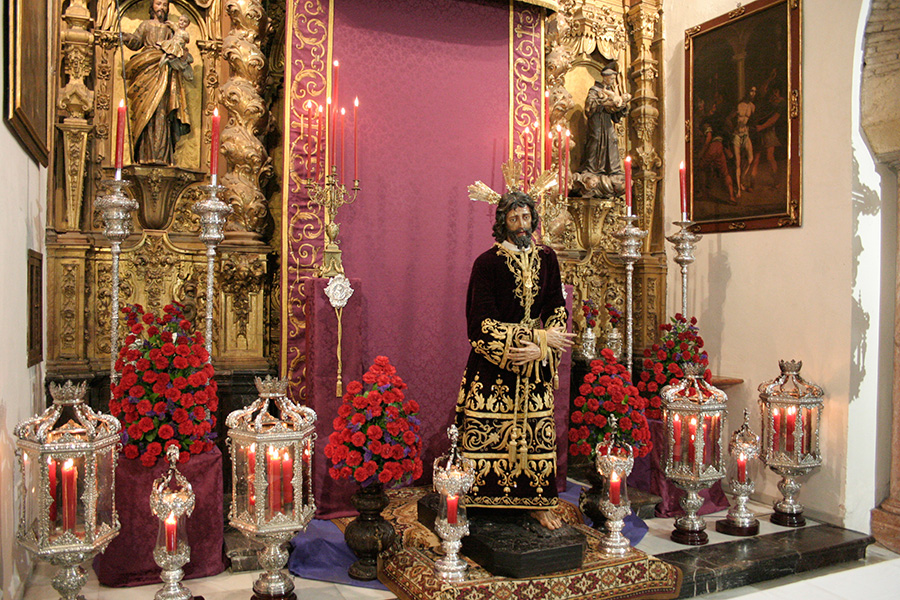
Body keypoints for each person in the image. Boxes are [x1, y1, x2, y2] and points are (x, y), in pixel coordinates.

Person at [456, 190, 575, 530]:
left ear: (533, 219)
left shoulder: (547, 258)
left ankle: (537, 503)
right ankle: (476, 500)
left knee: (537, 434)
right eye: (514, 219)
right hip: (494, 367)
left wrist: (544, 347)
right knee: (487, 432)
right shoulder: (487, 263)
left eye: (526, 217)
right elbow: (480, 323)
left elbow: (556, 308)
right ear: (502, 223)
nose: (522, 225)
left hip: (535, 366)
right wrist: (536, 339)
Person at [122, 0, 191, 165]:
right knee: (145, 110)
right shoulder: (146, 25)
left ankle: (161, 155)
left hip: (163, 71)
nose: (161, 8)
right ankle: (144, 154)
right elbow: (136, 41)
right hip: (146, 69)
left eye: (165, 5)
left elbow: (178, 47)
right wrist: (125, 36)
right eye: (158, 4)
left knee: (161, 110)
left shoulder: (169, 29)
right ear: (152, 6)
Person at [578, 61, 631, 183]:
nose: (612, 81)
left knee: (612, 139)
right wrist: (603, 102)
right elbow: (590, 105)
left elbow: (615, 115)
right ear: (605, 77)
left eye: (614, 79)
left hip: (606, 121)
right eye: (611, 79)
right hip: (596, 119)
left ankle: (613, 169)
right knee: (596, 139)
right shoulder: (595, 90)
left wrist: (621, 107)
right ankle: (591, 168)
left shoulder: (612, 92)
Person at [729, 87, 756, 197]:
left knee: (750, 159)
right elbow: (729, 119)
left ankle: (741, 179)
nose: (753, 93)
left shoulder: (752, 107)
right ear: (747, 92)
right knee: (738, 162)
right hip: (737, 135)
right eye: (751, 91)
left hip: (746, 134)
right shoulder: (739, 105)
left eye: (754, 91)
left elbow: (751, 121)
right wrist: (734, 127)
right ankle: (738, 189)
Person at [159, 14, 194, 82]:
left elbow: (187, 40)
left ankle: (171, 57)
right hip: (173, 42)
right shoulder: (177, 29)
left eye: (185, 22)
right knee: (166, 45)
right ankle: (168, 56)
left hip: (179, 45)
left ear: (187, 25)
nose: (182, 22)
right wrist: (168, 22)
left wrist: (184, 38)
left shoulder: (185, 33)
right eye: (181, 20)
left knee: (175, 49)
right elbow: (173, 25)